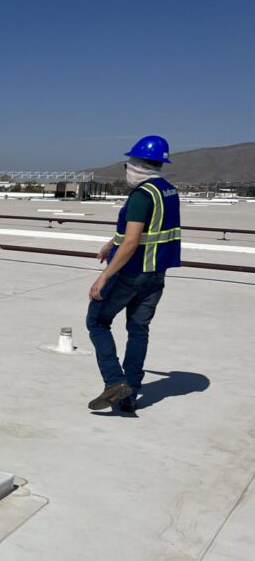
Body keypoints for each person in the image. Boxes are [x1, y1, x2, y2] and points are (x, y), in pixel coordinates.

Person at [86, 135, 182, 412]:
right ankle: (129, 395)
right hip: (156, 274)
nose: (127, 168)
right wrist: (110, 243)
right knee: (138, 329)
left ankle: (115, 381)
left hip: (131, 272)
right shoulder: (167, 191)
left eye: (129, 163)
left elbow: (132, 242)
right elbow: (143, 232)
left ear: (138, 164)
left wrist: (104, 277)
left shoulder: (141, 195)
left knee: (97, 321)